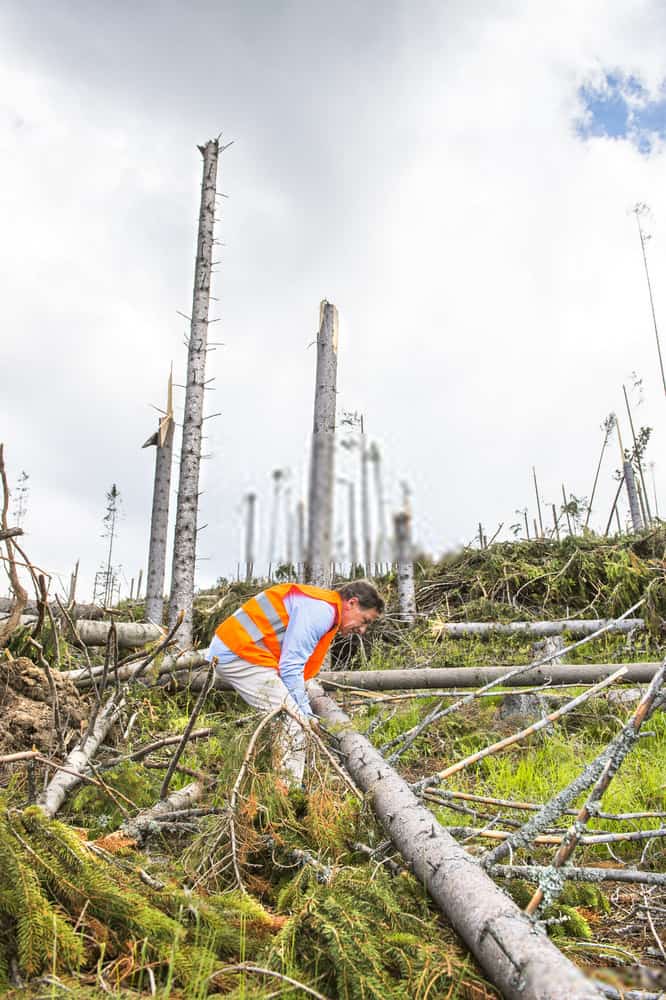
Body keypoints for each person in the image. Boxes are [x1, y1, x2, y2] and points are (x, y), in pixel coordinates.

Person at [205, 580, 384, 783]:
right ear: (352, 603)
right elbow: (290, 667)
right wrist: (306, 714)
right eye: (365, 620)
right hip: (240, 655)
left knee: (289, 720)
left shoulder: (323, 606)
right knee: (294, 724)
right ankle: (288, 793)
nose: (362, 630)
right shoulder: (321, 611)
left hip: (244, 652)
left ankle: (275, 781)